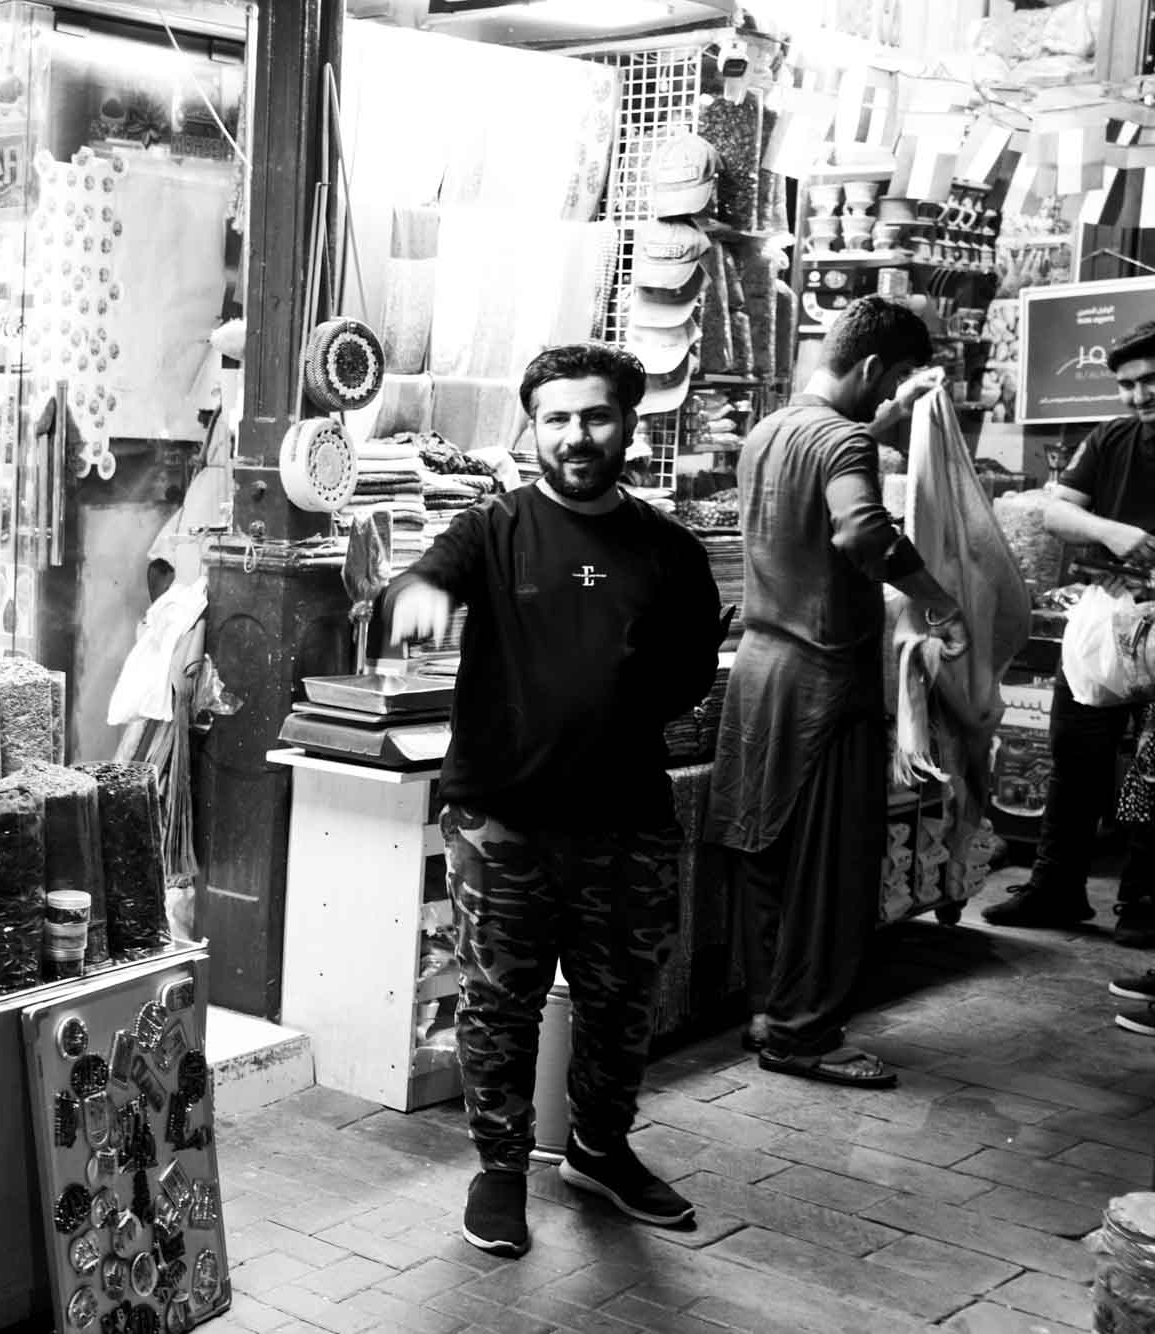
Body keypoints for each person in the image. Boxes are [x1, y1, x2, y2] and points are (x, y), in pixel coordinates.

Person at [386, 342, 721, 1257]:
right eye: (559, 418)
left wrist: (608, 711)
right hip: (503, 820)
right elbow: (421, 579)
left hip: (627, 818)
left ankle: (599, 1151)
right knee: (500, 1002)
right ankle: (499, 1171)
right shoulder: (492, 532)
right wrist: (414, 595)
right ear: (533, 426)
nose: (577, 435)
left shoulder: (670, 551)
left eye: (596, 416)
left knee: (622, 1002)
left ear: (628, 425)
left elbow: (691, 670)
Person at [705, 296, 967, 1090]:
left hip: (759, 670)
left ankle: (768, 1011)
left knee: (767, 849)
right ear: (873, 369)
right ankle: (805, 1036)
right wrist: (936, 596)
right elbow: (862, 531)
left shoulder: (771, 431)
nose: (889, 405)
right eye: (892, 389)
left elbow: (831, 463)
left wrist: (884, 428)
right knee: (831, 867)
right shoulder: (846, 441)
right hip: (824, 680)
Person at [976, 319, 1155, 949]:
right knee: (1075, 754)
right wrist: (1111, 532)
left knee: (1151, 770)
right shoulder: (1111, 437)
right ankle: (1057, 886)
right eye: (1129, 385)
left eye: (1151, 379)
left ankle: (1144, 900)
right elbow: (1054, 510)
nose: (1139, 396)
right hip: (1109, 617)